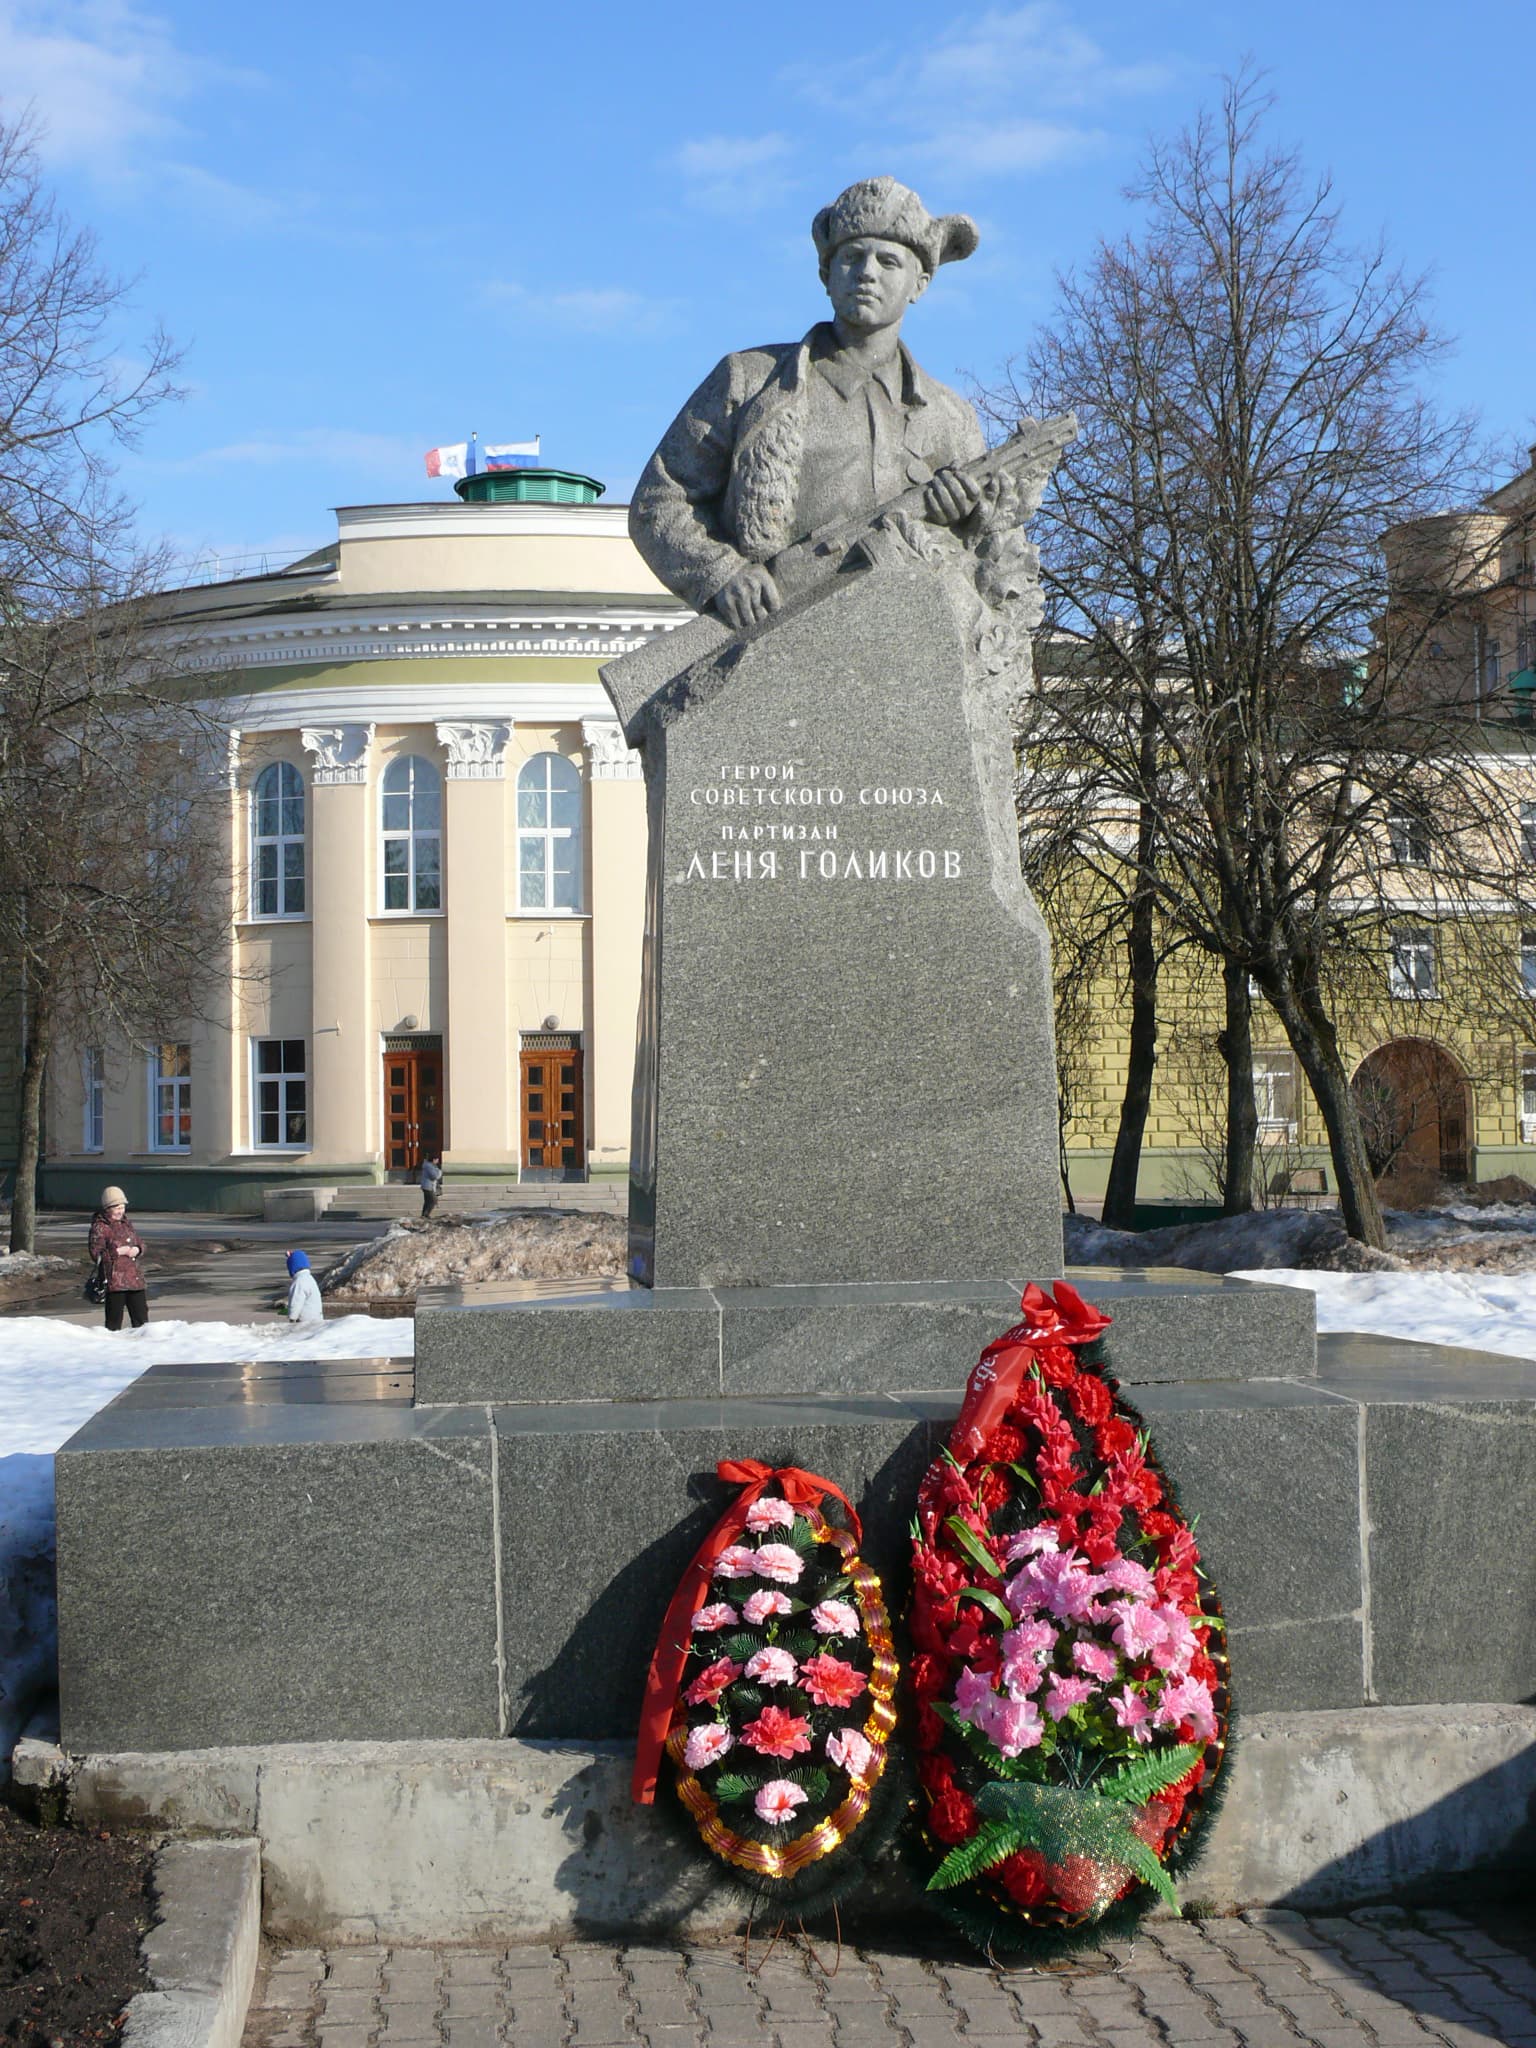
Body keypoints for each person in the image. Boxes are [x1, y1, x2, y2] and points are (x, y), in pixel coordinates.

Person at [629, 175, 986, 632]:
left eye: (888, 260)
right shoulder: (749, 379)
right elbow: (659, 500)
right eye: (852, 257)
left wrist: (965, 520)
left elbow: (987, 559)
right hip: (778, 638)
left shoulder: (951, 419)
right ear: (826, 275)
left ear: (920, 283)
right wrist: (722, 575)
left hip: (908, 646)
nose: (867, 273)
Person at [87, 1185, 148, 1331]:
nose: (121, 1211)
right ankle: (113, 1349)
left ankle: (144, 1348)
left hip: (135, 1280)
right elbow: (96, 1254)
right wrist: (117, 1252)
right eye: (117, 1208)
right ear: (107, 1208)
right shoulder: (100, 1227)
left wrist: (138, 1250)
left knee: (142, 1321)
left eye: (122, 1207)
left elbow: (140, 1242)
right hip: (114, 1282)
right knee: (114, 1322)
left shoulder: (126, 1223)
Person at [285, 1249, 324, 1325]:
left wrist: (292, 1317)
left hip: (306, 1321)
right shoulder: (309, 1278)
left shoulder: (300, 1282)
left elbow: (296, 1301)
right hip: (316, 1317)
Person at [419, 1151, 443, 1219]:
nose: (438, 1161)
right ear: (434, 1159)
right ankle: (425, 1214)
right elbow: (434, 1176)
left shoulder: (429, 1165)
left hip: (427, 1186)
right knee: (432, 1201)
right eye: (437, 1159)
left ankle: (424, 1214)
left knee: (428, 1201)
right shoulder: (429, 1166)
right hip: (428, 1186)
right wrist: (439, 1172)